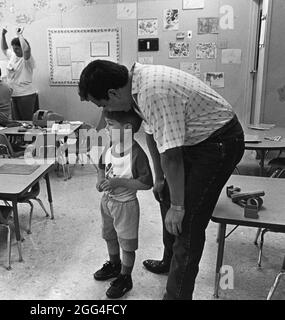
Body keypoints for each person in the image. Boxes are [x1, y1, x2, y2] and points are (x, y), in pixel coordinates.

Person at [78, 60, 245, 300]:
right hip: (194, 139)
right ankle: (169, 260)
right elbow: (153, 135)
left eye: (103, 104)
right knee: (166, 192)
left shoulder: (152, 92)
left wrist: (178, 207)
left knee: (188, 222)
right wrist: (159, 179)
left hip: (219, 142)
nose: (107, 114)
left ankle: (176, 296)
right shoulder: (133, 88)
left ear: (113, 93)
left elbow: (173, 157)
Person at [95, 108, 152, 299]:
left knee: (127, 245)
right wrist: (100, 179)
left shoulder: (137, 154)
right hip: (107, 202)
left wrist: (118, 182)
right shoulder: (110, 146)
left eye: (110, 124)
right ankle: (114, 265)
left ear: (127, 128)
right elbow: (101, 166)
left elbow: (146, 182)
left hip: (126, 206)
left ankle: (125, 277)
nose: (106, 128)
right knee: (109, 236)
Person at [1, 27, 38, 121]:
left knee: (27, 121)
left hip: (26, 95)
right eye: (13, 49)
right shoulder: (13, 56)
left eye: (17, 49)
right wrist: (3, 35)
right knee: (17, 122)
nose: (15, 51)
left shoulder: (27, 59)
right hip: (14, 95)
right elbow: (4, 49)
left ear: (22, 47)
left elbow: (26, 50)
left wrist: (20, 35)